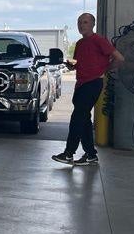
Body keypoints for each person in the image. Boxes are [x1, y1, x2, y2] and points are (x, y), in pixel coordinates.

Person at [52, 13, 124, 166]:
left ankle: (69, 153)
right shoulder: (80, 44)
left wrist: (105, 70)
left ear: (92, 24)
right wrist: (72, 65)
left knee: (77, 117)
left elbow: (119, 58)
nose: (81, 25)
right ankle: (91, 154)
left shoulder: (99, 40)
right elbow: (79, 62)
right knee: (84, 119)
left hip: (93, 83)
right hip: (81, 84)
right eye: (79, 22)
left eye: (85, 22)